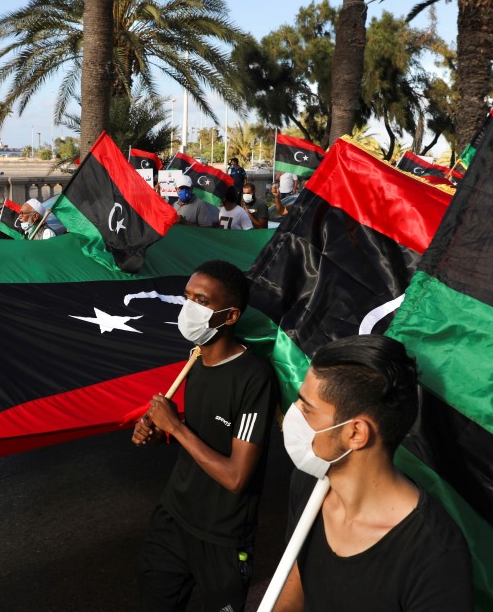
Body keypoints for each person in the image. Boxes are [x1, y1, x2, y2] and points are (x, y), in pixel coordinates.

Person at [274, 335, 473, 611]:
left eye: (307, 409)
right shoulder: (307, 484)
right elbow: (294, 582)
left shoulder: (435, 553)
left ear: (356, 433)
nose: (293, 413)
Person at [134, 260, 277, 612]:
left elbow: (236, 476)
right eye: (187, 297)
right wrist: (161, 434)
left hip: (223, 536)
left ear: (230, 316)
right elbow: (202, 433)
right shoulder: (195, 358)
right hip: (173, 516)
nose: (189, 308)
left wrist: (176, 428)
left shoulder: (254, 378)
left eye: (202, 300)